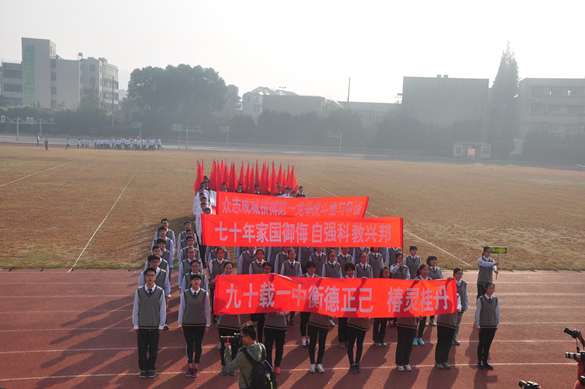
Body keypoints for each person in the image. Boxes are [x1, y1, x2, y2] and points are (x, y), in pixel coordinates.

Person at [132, 267, 166, 378]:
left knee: (153, 349)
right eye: (148, 275)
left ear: (155, 277)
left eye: (152, 275)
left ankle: (151, 368)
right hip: (142, 326)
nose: (150, 277)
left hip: (154, 326)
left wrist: (161, 324)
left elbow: (162, 309)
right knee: (141, 349)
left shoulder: (160, 291)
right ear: (145, 277)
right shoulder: (139, 291)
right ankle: (143, 368)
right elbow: (136, 308)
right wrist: (136, 324)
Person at [178, 274, 211, 378]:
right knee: (188, 345)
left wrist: (207, 324)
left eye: (198, 280)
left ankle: (196, 367)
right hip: (187, 323)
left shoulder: (204, 294)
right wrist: (180, 324)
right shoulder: (185, 294)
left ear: (200, 282)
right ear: (190, 281)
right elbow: (182, 309)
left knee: (198, 345)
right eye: (194, 280)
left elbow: (206, 310)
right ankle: (190, 366)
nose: (196, 282)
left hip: (200, 324)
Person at [224, 324, 268, 389]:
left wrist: (227, 350)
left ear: (248, 338)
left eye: (242, 336)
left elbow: (229, 367)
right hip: (260, 385)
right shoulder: (262, 347)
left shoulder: (243, 354)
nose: (240, 338)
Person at [217, 262, 242, 376]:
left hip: (235, 320)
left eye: (231, 268)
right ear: (224, 269)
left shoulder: (237, 282)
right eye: (227, 268)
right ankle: (224, 365)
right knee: (224, 345)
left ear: (233, 269)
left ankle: (233, 366)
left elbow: (242, 298)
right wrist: (217, 311)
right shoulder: (220, 281)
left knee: (235, 345)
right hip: (223, 320)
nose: (229, 269)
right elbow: (216, 298)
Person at [138, 255, 171, 331]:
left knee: (162, 309)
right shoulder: (144, 273)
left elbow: (166, 285)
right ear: (149, 262)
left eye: (156, 261)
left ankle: (163, 323)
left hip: (160, 295)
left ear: (159, 262)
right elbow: (140, 285)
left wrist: (167, 296)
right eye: (152, 262)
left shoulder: (164, 273)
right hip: (148, 295)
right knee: (149, 309)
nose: (154, 263)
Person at [475, 281, 500, 370]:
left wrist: (497, 323)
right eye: (490, 288)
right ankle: (480, 361)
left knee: (488, 344)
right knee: (482, 344)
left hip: (492, 325)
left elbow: (497, 312)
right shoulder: (481, 299)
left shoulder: (495, 299)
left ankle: (485, 361)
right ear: (485, 288)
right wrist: (478, 325)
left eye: (493, 288)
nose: (491, 290)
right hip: (483, 325)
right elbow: (477, 313)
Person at [435, 292, 461, 370]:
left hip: (452, 323)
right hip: (442, 322)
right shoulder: (442, 295)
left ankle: (444, 360)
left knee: (448, 343)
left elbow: (459, 305)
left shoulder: (457, 295)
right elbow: (436, 304)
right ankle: (438, 361)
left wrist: (458, 308)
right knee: (441, 342)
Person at [263, 309, 288, 374]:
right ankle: (268, 366)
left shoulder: (285, 299)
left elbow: (289, 308)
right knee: (268, 347)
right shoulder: (267, 298)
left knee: (279, 347)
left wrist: (281, 313)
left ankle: (277, 365)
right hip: (269, 325)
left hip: (281, 326)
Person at [280, 249, 301, 325]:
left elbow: (299, 275)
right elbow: (282, 274)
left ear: (295, 255)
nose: (292, 256)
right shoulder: (284, 264)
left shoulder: (298, 264)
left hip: (294, 286)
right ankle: (285, 317)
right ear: (288, 255)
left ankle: (292, 317)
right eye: (290, 254)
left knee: (293, 302)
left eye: (293, 254)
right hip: (286, 285)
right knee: (286, 301)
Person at [338, 263, 356, 348]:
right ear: (346, 271)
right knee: (342, 323)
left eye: (352, 270)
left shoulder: (357, 280)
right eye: (349, 270)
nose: (350, 272)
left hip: (352, 306)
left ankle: (348, 339)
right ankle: (342, 340)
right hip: (343, 305)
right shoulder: (342, 280)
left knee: (351, 324)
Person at [300, 261, 318, 347]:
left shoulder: (317, 278)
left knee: (312, 322)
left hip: (313, 303)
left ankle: (310, 337)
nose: (312, 269)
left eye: (313, 268)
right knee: (303, 321)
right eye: (310, 268)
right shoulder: (302, 277)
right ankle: (303, 337)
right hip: (304, 303)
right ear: (307, 269)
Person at [413, 264, 431, 346]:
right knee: (415, 321)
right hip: (416, 304)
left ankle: (420, 336)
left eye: (427, 270)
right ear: (420, 271)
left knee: (423, 321)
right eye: (424, 270)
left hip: (425, 304)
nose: (426, 272)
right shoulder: (416, 279)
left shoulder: (430, 280)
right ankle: (414, 337)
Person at [373, 267, 391, 347]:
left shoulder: (391, 282)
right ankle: (376, 339)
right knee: (377, 323)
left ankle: (382, 339)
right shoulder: (378, 282)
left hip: (386, 306)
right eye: (385, 273)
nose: (386, 274)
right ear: (381, 273)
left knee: (384, 323)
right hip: (378, 306)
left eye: (387, 272)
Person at [452, 267, 468, 345]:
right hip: (452, 307)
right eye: (458, 273)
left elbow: (465, 295)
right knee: (451, 322)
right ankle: (450, 337)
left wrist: (465, 305)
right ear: (454, 274)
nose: (459, 275)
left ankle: (454, 336)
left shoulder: (464, 283)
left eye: (461, 273)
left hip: (460, 307)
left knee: (457, 323)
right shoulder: (451, 282)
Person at [427, 255, 443, 326]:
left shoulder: (439, 270)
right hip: (428, 290)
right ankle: (424, 319)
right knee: (426, 304)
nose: (434, 261)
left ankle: (432, 319)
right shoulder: (426, 269)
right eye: (432, 260)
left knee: (434, 305)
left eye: (435, 260)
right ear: (429, 261)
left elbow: (442, 279)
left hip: (436, 290)